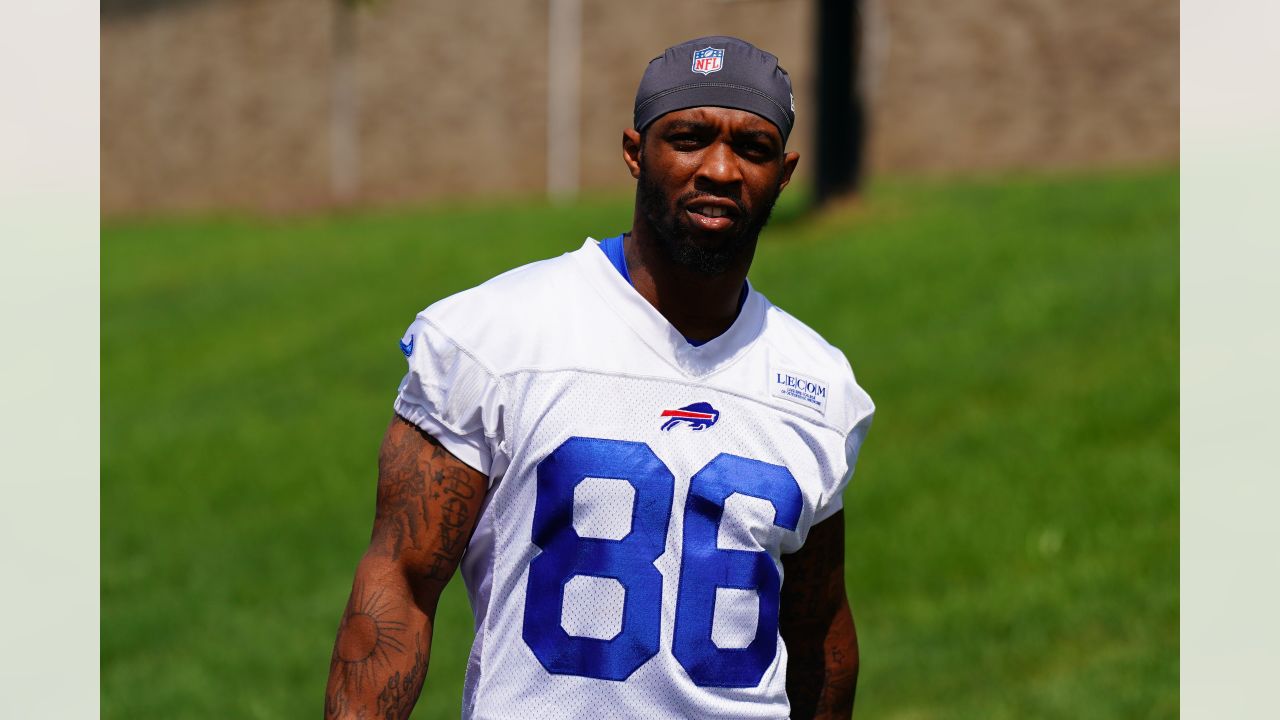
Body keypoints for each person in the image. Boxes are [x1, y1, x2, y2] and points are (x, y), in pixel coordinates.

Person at [323, 35, 875, 720]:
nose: (721, 168)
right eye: (689, 138)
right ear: (635, 151)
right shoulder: (496, 336)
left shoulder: (817, 383)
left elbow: (819, 629)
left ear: (784, 174)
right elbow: (399, 587)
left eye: (752, 148)